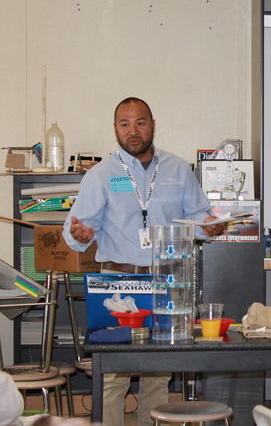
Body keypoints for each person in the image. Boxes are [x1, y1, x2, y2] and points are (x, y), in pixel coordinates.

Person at [63, 97, 226, 426]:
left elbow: (198, 220)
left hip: (167, 282)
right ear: (115, 130)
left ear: (153, 125)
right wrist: (80, 235)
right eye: (124, 124)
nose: (132, 131)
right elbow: (76, 230)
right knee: (113, 375)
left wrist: (210, 225)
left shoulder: (178, 170)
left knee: (158, 372)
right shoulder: (100, 175)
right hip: (117, 283)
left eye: (140, 122)